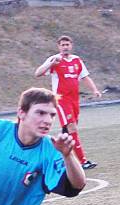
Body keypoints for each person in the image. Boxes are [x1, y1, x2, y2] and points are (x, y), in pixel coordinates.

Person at [35, 34, 102, 170]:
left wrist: (94, 90)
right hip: (61, 99)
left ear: (71, 46)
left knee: (67, 133)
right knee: (72, 128)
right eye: (62, 45)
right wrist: (51, 64)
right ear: (58, 47)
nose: (65, 47)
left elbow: (85, 77)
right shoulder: (55, 60)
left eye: (67, 45)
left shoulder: (77, 60)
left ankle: (54, 159)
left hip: (74, 100)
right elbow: (38, 73)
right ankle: (83, 161)